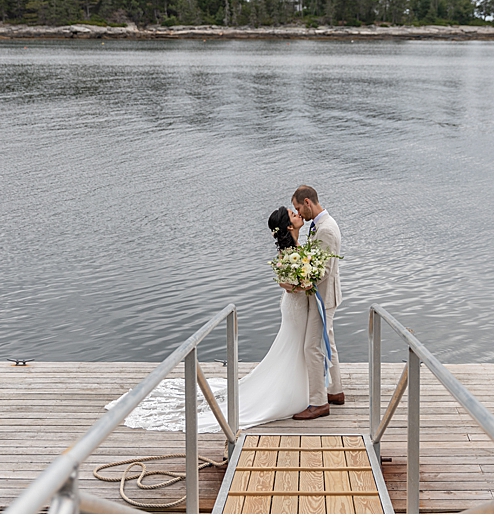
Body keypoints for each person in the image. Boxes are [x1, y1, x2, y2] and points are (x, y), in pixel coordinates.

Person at [111, 205, 314, 432]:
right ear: (288, 225)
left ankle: (302, 389)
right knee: (294, 347)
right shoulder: (286, 254)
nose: (297, 215)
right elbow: (283, 283)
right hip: (295, 307)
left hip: (300, 306)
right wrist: (303, 285)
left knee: (297, 347)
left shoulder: (298, 247)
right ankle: (293, 394)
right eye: (293, 215)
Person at [287, 185, 344, 420]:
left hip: (324, 296)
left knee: (312, 347)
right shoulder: (317, 226)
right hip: (322, 294)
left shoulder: (326, 229)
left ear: (308, 202)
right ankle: (335, 391)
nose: (298, 213)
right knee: (327, 340)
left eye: (299, 207)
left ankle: (319, 402)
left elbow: (322, 272)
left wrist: (297, 284)